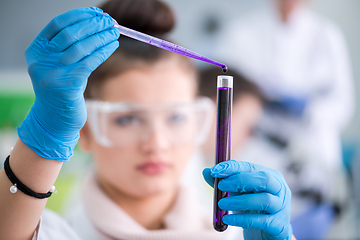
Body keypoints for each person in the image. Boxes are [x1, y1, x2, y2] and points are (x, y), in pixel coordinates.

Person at [0, 1, 295, 240]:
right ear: (85, 129)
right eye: (128, 119)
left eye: (177, 116)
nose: (157, 143)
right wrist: (45, 135)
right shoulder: (52, 233)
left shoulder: (231, 234)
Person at [214, 0, 354, 238]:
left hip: (314, 153)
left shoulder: (327, 35)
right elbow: (227, 89)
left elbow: (344, 104)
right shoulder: (241, 32)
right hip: (260, 148)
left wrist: (308, 110)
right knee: (256, 214)